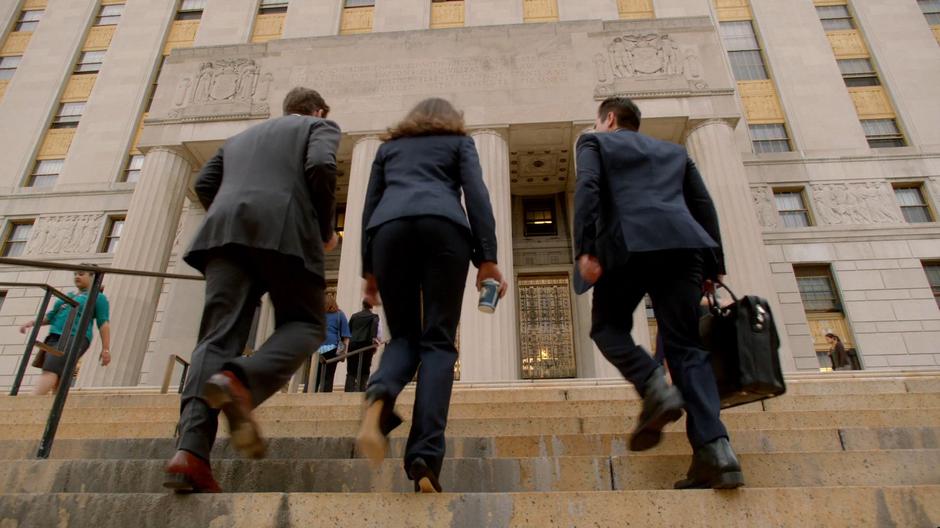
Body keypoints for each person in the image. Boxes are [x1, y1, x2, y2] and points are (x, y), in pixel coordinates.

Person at [164, 87, 341, 493]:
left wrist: (232, 209)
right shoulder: (320, 126)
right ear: (317, 109)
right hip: (286, 232)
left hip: (224, 235)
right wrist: (324, 229)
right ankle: (240, 379)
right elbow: (319, 165)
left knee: (215, 338)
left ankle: (189, 453)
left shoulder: (240, 138)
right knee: (306, 325)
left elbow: (204, 181)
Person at [574, 96, 744, 490]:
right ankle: (717, 453)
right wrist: (714, 265)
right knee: (687, 349)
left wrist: (584, 249)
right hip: (684, 249)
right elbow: (703, 204)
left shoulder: (594, 142)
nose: (597, 127)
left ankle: (653, 384)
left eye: (598, 121)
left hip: (625, 245)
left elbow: (588, 187)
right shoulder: (674, 151)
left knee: (608, 329)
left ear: (609, 118)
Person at [355, 98, 507, 493]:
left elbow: (368, 207)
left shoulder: (388, 149)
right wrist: (487, 258)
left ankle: (381, 393)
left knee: (404, 336)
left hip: (388, 231)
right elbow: (477, 196)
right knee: (438, 342)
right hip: (444, 228)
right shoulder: (459, 144)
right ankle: (424, 456)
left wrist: (368, 270)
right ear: (453, 120)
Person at [20, 267, 111, 395]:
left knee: (51, 368)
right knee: (60, 373)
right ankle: (55, 408)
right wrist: (32, 323)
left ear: (92, 277)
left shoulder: (98, 298)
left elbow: (104, 323)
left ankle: (28, 401)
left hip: (74, 336)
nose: (77, 277)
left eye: (81, 274)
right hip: (54, 336)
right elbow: (51, 316)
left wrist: (105, 349)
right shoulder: (68, 296)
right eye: (75, 274)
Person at [312, 295, 349, 393]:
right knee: (329, 375)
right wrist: (342, 352)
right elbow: (345, 336)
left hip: (317, 347)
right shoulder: (339, 314)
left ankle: (308, 395)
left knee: (315, 376)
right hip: (333, 347)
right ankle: (325, 396)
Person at [345, 300, 382, 392]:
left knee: (351, 369)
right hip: (367, 345)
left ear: (363, 305)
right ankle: (362, 389)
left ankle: (349, 390)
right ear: (371, 306)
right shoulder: (374, 317)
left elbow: (348, 331)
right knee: (365, 368)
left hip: (353, 345)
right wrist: (375, 345)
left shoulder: (354, 316)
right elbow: (377, 333)